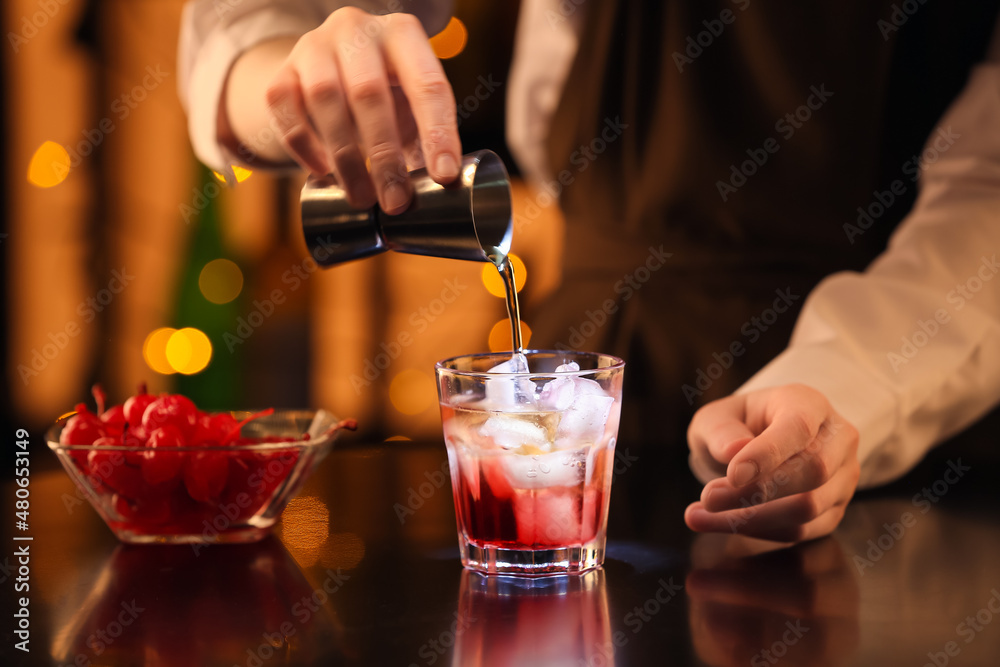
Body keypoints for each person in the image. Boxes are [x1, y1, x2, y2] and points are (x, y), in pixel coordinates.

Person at [178, 0, 1000, 543]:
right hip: (603, 372)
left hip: (896, 435)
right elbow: (254, 32)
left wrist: (848, 380)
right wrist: (293, 71)